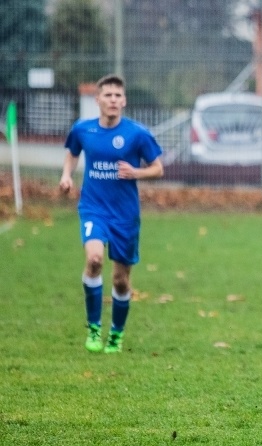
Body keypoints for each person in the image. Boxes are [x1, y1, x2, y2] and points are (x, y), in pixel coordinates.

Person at [59, 74, 164, 354]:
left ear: (124, 101)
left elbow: (158, 168)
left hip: (125, 215)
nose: (113, 100)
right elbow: (72, 152)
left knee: (121, 280)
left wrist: (137, 172)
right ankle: (94, 328)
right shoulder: (83, 129)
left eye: (118, 96)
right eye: (108, 95)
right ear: (98, 100)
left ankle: (116, 333)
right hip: (93, 207)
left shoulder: (137, 134)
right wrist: (67, 176)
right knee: (94, 260)